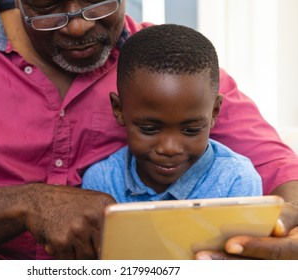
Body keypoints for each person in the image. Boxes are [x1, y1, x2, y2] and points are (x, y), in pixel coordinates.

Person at [0, 0, 298, 260]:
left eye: (99, 1)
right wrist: (28, 203)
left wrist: (287, 233)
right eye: (49, 7)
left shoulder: (168, 67)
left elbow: (284, 173)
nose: (78, 26)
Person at [82, 23, 262, 202]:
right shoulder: (102, 183)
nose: (169, 148)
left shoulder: (236, 182)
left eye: (191, 130)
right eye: (149, 129)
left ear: (214, 112)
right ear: (119, 110)